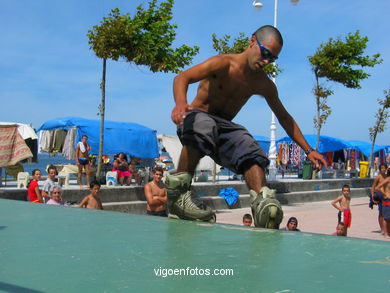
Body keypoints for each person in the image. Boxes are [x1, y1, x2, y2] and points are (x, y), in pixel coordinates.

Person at [166, 25, 327, 227]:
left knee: (249, 146)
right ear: (252, 42)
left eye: (272, 58)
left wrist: (308, 150)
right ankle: (178, 194)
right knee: (204, 125)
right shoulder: (222, 63)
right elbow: (182, 77)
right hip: (198, 117)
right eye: (265, 53)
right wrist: (180, 102)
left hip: (225, 127)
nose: (267, 61)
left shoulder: (263, 83)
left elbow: (284, 117)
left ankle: (263, 203)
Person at [371, 163, 387, 234]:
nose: (383, 169)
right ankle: (382, 229)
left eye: (384, 168)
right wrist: (372, 195)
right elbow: (373, 186)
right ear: (380, 169)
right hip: (380, 196)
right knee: (381, 212)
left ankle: (385, 227)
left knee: (386, 213)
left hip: (386, 196)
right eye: (382, 168)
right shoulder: (378, 177)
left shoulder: (387, 177)